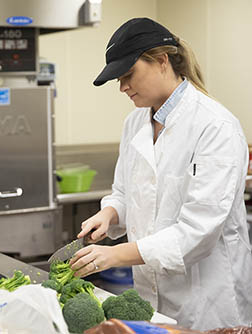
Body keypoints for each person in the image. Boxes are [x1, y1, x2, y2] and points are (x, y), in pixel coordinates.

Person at [69, 18, 252, 329]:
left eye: (128, 75)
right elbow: (125, 192)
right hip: (150, 294)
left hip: (207, 299)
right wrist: (111, 213)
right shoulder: (134, 123)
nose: (123, 87)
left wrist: (114, 256)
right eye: (118, 79)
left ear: (162, 61)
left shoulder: (215, 126)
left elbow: (199, 231)